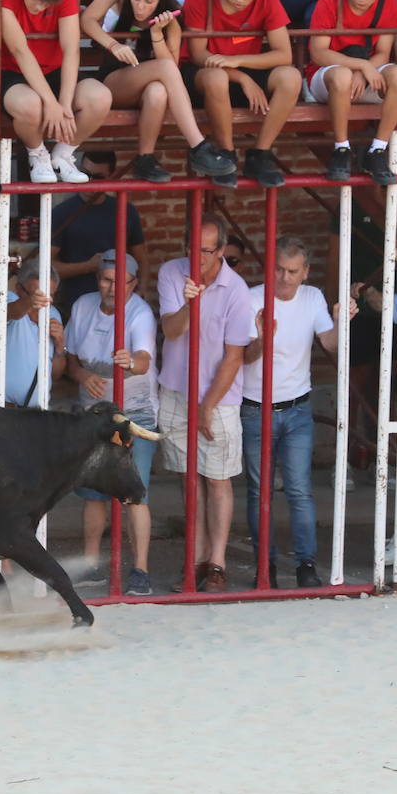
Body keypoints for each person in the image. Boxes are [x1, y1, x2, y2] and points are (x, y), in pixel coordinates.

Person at [240, 237, 354, 589]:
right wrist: (262, 339)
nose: (285, 278)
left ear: (305, 273)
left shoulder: (313, 297)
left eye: (292, 271)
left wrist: (342, 322)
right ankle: (266, 565)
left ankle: (306, 564)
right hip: (256, 406)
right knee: (260, 491)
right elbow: (244, 357)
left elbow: (331, 344)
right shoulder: (251, 298)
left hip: (297, 408)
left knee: (299, 490)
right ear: (269, 268)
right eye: (279, 270)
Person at [157, 213, 253, 593]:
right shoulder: (171, 273)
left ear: (222, 250)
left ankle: (216, 564)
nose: (197, 256)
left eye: (206, 250)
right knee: (189, 481)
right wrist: (188, 304)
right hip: (177, 392)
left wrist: (207, 406)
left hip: (220, 400)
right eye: (192, 248)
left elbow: (235, 356)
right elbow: (170, 330)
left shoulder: (237, 289)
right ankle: (193, 562)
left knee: (217, 480)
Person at [65, 250, 158, 596]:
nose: (112, 288)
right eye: (106, 280)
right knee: (92, 493)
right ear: (97, 279)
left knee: (135, 493)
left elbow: (145, 361)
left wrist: (130, 362)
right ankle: (90, 565)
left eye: (120, 282)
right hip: (93, 414)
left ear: (134, 283)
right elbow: (70, 361)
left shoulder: (140, 314)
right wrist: (83, 374)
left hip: (133, 413)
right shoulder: (82, 307)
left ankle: (140, 571)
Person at [80, 0, 237, 182]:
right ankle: (198, 145)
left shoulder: (171, 20)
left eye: (149, 2)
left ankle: (145, 158)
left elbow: (172, 67)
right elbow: (87, 20)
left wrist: (156, 36)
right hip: (115, 82)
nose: (140, 7)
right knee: (164, 71)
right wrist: (113, 45)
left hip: (148, 86)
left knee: (158, 91)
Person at [0, 0, 112, 184]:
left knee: (100, 97)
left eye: (47, 3)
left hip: (55, 70)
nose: (41, 7)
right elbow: (20, 51)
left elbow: (71, 49)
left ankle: (62, 156)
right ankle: (38, 155)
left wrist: (64, 103)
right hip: (12, 72)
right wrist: (51, 103)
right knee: (30, 104)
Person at [181, 0, 300, 188]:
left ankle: (260, 155)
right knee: (216, 78)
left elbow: (284, 54)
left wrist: (238, 61)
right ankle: (226, 155)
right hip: (203, 72)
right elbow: (198, 54)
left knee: (291, 77)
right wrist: (242, 78)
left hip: (242, 66)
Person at [307, 0, 397, 185]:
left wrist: (363, 73)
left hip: (367, 73)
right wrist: (362, 66)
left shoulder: (388, 2)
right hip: (327, 75)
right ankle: (341, 148)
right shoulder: (329, 1)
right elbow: (318, 53)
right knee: (342, 76)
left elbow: (383, 52)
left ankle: (378, 149)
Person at [50, 151, 150, 315]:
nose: (90, 182)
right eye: (85, 174)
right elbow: (48, 267)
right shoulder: (62, 213)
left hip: (120, 305)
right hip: (78, 307)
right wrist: (88, 266)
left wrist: (141, 292)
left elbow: (142, 259)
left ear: (111, 176)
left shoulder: (126, 210)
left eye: (98, 177)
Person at [0, 257, 66, 406]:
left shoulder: (53, 314)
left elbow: (56, 375)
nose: (44, 300)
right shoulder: (8, 299)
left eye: (50, 295)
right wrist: (30, 301)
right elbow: (11, 311)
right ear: (18, 288)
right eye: (36, 293)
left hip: (34, 412)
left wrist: (60, 345)